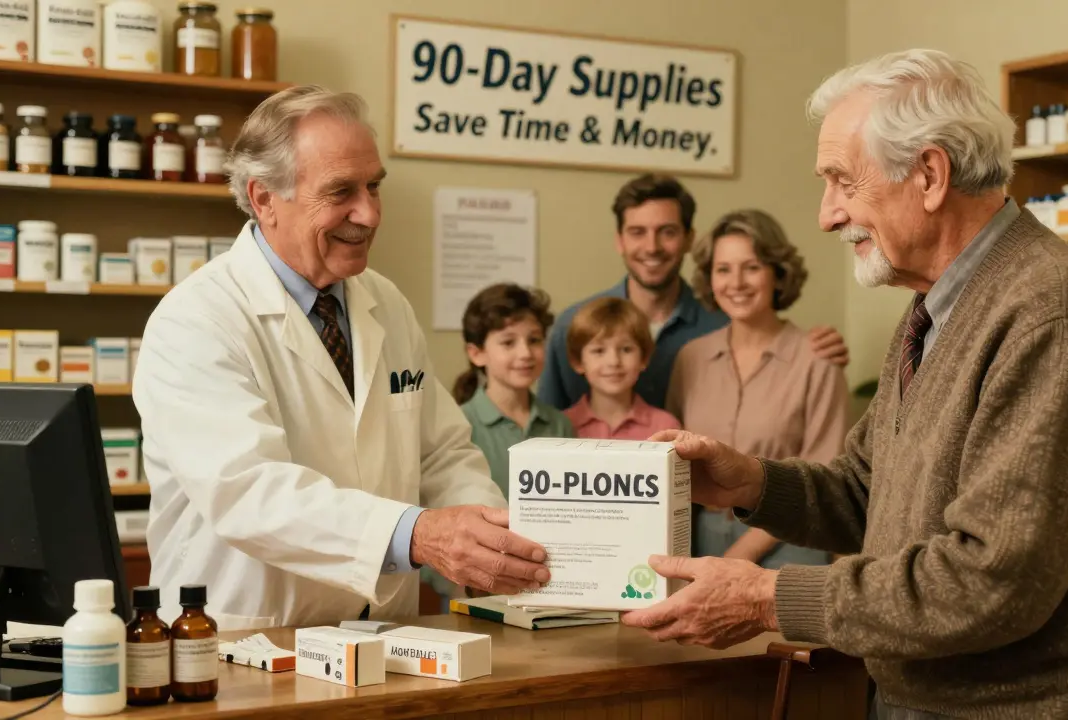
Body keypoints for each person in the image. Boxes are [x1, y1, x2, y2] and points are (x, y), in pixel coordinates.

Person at [622, 50, 1068, 719]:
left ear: (931, 175)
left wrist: (768, 598)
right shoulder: (934, 308)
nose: (826, 215)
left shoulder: (1052, 313)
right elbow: (866, 491)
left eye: (841, 182)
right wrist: (752, 484)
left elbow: (992, 579)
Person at [133, 86, 549, 630]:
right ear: (264, 199)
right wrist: (420, 536)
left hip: (382, 637)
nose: (370, 213)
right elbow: (249, 492)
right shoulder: (196, 321)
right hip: (248, 639)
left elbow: (442, 453)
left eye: (374, 186)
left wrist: (490, 538)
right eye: (341, 192)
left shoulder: (386, 304)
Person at [537, 173, 850, 412]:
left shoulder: (724, 324)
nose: (652, 247)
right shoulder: (572, 327)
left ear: (689, 239)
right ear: (619, 241)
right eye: (637, 233)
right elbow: (548, 431)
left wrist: (814, 348)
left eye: (667, 232)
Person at [667, 209, 847, 569]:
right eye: (723, 269)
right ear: (709, 278)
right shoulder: (691, 358)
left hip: (792, 541)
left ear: (777, 273)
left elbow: (824, 473)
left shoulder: (817, 358)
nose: (737, 282)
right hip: (699, 539)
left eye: (751, 267)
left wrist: (742, 553)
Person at [453, 283, 574, 496]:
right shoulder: (459, 426)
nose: (525, 353)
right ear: (477, 354)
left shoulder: (560, 425)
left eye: (534, 340)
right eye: (508, 342)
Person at [562, 297, 681, 440]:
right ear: (578, 362)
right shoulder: (562, 426)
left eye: (626, 349)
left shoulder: (665, 427)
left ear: (643, 359)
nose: (614, 362)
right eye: (599, 351)